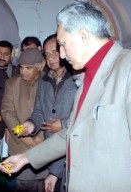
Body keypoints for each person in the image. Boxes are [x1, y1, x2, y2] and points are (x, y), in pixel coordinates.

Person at [0, 0, 131, 191]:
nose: (62, 54)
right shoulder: (84, 77)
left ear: (83, 36)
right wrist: (25, 158)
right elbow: (70, 134)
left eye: (63, 45)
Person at [22, 34, 77, 192]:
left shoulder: (77, 78)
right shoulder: (44, 81)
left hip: (71, 152)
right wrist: (31, 124)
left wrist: (64, 123)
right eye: (47, 54)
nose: (51, 57)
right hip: (51, 151)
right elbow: (39, 111)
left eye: (55, 51)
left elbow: (85, 117)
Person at [1, 48, 47, 192]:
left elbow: (51, 112)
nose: (23, 72)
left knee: (46, 184)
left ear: (40, 66)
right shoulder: (12, 84)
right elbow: (7, 112)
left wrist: (40, 137)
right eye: (21, 67)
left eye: (28, 68)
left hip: (45, 143)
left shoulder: (49, 82)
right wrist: (23, 135)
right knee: (24, 186)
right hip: (20, 145)